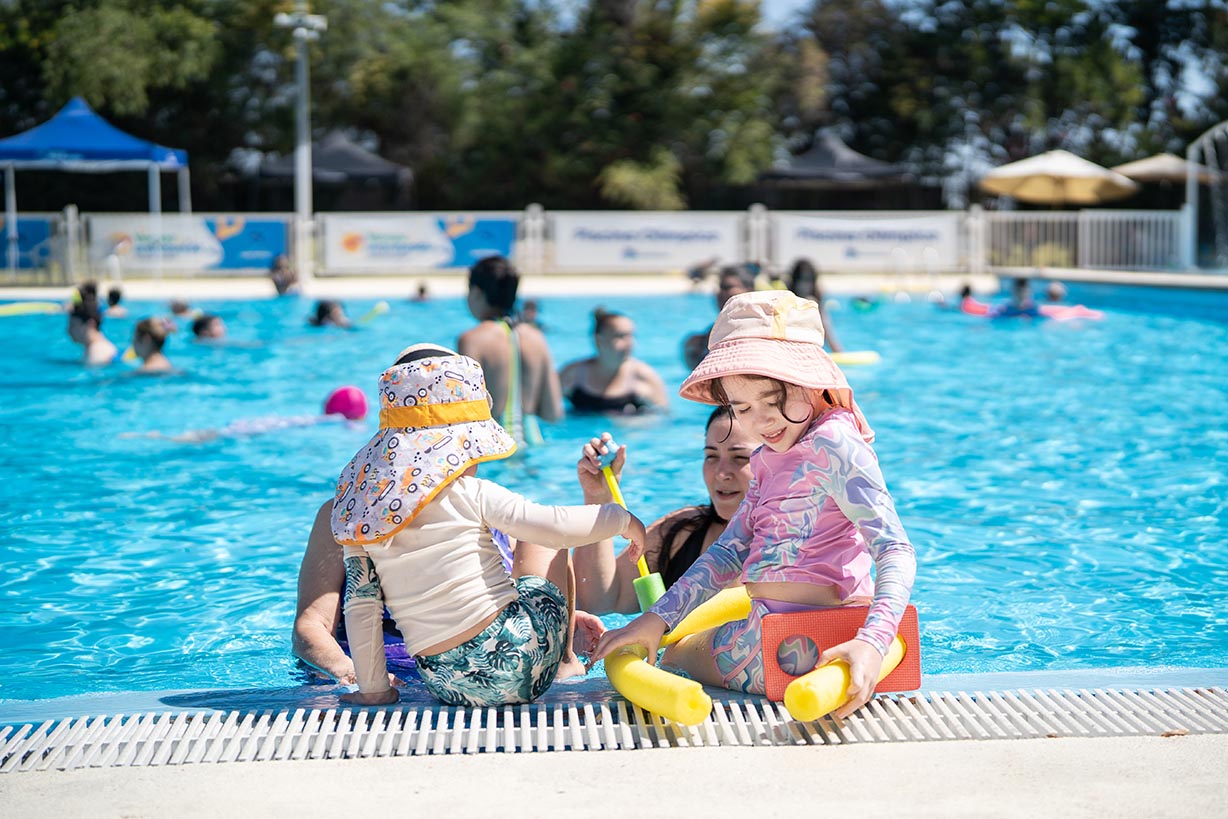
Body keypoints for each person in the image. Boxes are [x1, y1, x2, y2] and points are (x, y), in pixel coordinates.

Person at [590, 291, 916, 719]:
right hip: (773, 629)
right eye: (742, 407)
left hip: (782, 645)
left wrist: (872, 642)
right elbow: (731, 550)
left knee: (676, 655)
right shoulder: (768, 458)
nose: (761, 421)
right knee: (669, 636)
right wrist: (655, 619)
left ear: (812, 383)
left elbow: (894, 548)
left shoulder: (835, 442)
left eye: (772, 400)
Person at [331, 344, 647, 707]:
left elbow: (361, 604)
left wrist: (374, 690)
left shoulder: (363, 517)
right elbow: (555, 526)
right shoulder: (469, 492)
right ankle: (562, 665)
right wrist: (619, 518)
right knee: (539, 542)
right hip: (521, 662)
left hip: (443, 682)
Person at [572, 405, 757, 614]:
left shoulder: (794, 550)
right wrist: (599, 498)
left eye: (740, 458)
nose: (721, 473)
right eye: (711, 456)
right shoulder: (682, 532)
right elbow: (598, 603)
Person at [457, 255, 563, 446]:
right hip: (533, 441)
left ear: (476, 293)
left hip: (493, 445)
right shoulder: (536, 337)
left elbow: (466, 412)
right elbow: (552, 413)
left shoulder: (472, 340)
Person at [126, 386, 367, 443]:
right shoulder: (340, 423)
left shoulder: (321, 418)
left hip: (260, 424)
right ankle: (160, 437)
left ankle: (159, 436)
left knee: (215, 434)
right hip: (262, 428)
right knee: (212, 437)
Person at [559, 307, 669, 414]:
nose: (630, 343)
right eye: (620, 336)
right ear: (599, 340)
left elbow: (663, 419)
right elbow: (547, 410)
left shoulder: (644, 377)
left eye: (631, 336)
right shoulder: (573, 374)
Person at [683, 264, 756, 370]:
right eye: (720, 288)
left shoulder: (764, 332)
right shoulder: (703, 340)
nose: (720, 293)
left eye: (727, 287)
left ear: (749, 291)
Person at [787, 258, 844, 353]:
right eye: (800, 280)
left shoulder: (814, 300)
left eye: (808, 280)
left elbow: (825, 327)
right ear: (794, 281)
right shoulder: (786, 296)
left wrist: (837, 351)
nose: (804, 286)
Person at [66, 283, 118, 366]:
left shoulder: (98, 352)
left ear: (90, 324)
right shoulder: (92, 349)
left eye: (73, 326)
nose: (68, 330)